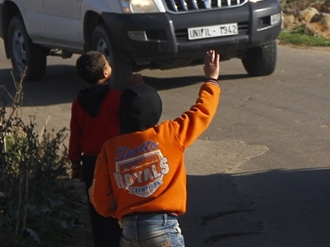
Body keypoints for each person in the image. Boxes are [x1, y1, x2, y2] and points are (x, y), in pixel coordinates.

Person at [90, 50, 221, 247]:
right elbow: (202, 111)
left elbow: (100, 197)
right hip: (163, 227)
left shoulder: (110, 149)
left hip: (128, 231)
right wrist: (211, 80)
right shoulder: (170, 134)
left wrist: (117, 212)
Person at [70, 52, 140, 247]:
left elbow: (75, 134)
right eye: (108, 63)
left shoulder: (79, 103)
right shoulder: (116, 99)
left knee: (98, 209)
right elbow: (135, 119)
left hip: (91, 162)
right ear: (105, 72)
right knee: (121, 207)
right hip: (117, 159)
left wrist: (75, 164)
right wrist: (138, 89)